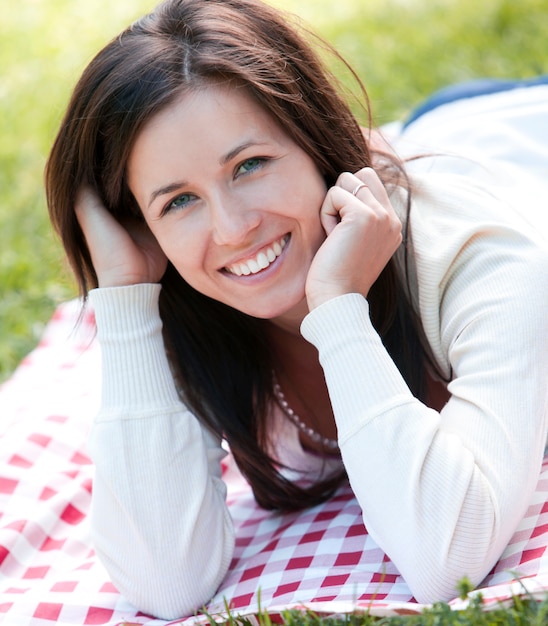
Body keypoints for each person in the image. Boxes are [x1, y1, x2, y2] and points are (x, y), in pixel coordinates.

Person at [44, 0, 548, 619]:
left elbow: (450, 559)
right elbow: (165, 584)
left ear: (315, 142)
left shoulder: (481, 253)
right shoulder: (187, 297)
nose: (232, 230)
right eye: (177, 201)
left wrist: (336, 306)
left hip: (517, 137)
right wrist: (124, 298)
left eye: (249, 165)